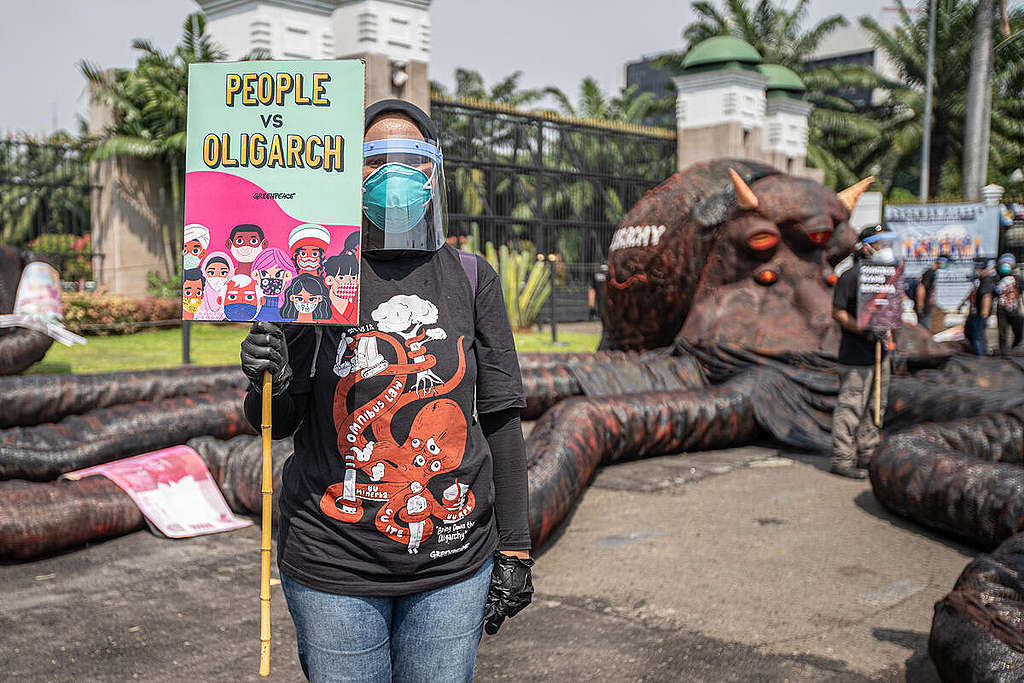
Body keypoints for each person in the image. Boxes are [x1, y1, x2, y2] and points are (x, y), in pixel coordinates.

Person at [239, 99, 533, 682]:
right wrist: (268, 375)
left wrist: (516, 549)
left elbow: (500, 416)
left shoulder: (472, 277)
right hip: (333, 565)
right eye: (376, 159)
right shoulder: (315, 274)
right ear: (350, 173)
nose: (394, 175)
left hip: (452, 563)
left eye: (412, 160)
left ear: (433, 175)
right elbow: (278, 417)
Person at [829, 224, 898, 478]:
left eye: (888, 242)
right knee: (851, 407)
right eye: (880, 242)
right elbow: (837, 313)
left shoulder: (887, 275)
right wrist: (864, 329)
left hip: (881, 354)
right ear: (866, 246)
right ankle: (842, 457)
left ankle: (867, 453)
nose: (885, 247)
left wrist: (888, 334)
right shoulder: (851, 276)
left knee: (875, 406)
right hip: (856, 355)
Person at [960, 258, 996, 355]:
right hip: (973, 312)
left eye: (976, 268)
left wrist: (984, 312)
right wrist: (963, 302)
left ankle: (981, 357)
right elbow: (973, 292)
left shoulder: (986, 280)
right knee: (968, 332)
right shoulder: (978, 280)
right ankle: (976, 352)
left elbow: (987, 296)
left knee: (978, 337)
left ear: (981, 268)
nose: (975, 270)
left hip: (980, 313)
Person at [994, 253, 1024, 354]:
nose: (1006, 266)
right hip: (1001, 309)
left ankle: (1014, 349)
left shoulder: (1018, 279)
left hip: (1015, 308)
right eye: (1004, 263)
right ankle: (1004, 353)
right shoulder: (997, 278)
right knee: (1002, 333)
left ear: (1013, 266)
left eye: (1008, 263)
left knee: (1018, 332)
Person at [914, 253, 948, 331]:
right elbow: (921, 287)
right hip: (924, 307)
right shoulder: (930, 273)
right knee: (924, 330)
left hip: (926, 306)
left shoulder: (932, 272)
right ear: (941, 261)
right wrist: (920, 305)